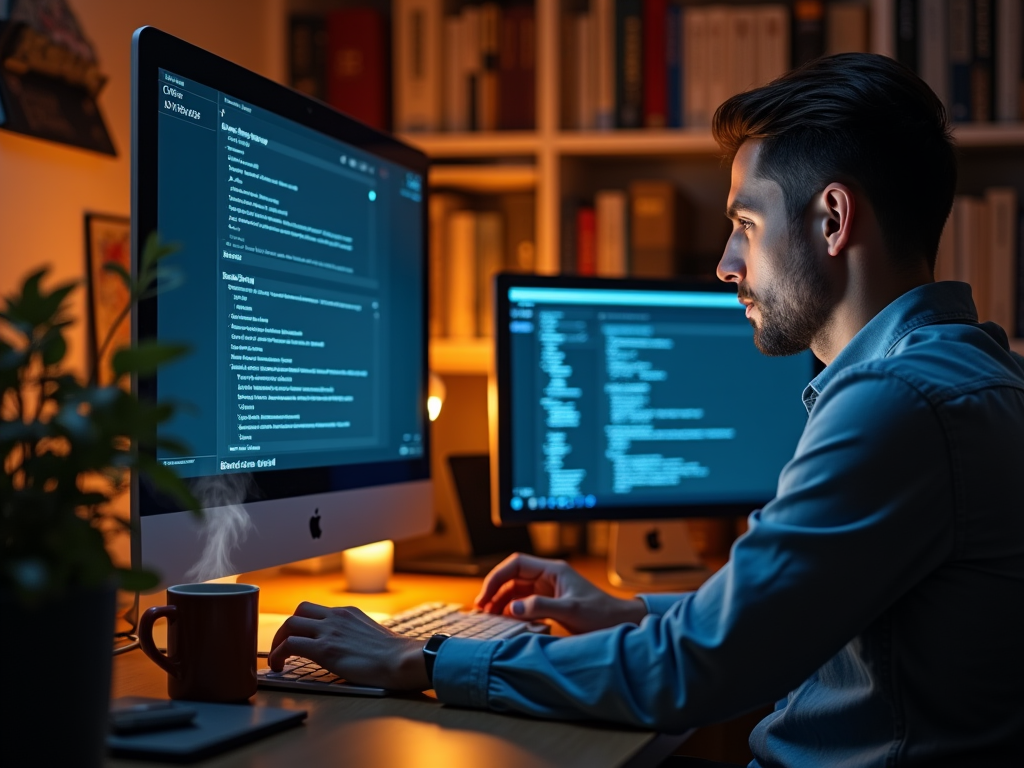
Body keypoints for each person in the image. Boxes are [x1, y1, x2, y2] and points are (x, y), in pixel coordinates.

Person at [269, 53, 1024, 765]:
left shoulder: (898, 404)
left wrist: (420, 655)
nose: (727, 265)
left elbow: (696, 670)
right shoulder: (972, 373)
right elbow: (785, 619)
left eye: (747, 225)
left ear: (833, 220)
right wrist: (627, 613)